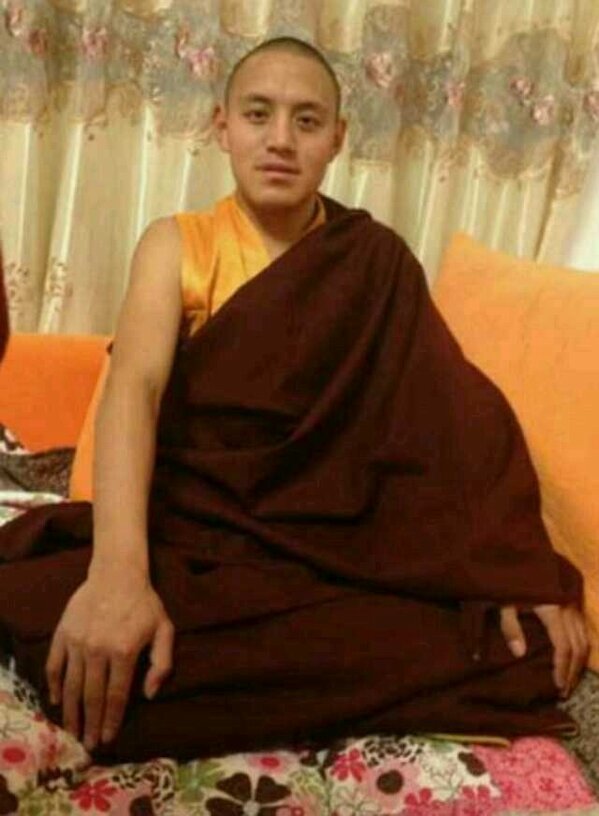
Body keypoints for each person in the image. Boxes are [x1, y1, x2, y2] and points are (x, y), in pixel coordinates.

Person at [0, 38, 588, 762]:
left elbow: (456, 426)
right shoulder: (178, 245)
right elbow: (134, 391)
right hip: (197, 539)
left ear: (337, 138)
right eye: (258, 114)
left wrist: (513, 569)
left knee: (519, 651)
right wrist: (118, 577)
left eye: (306, 121)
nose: (280, 139)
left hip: (330, 553)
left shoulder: (375, 262)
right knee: (55, 621)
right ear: (222, 126)